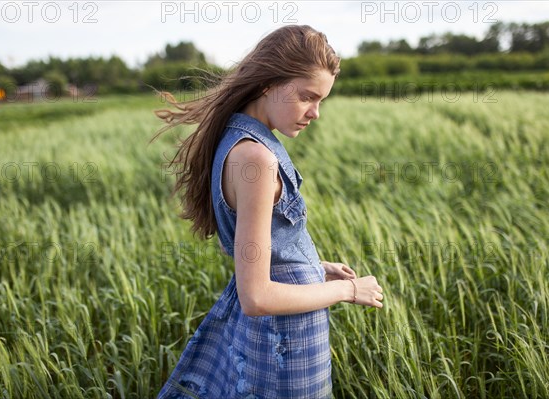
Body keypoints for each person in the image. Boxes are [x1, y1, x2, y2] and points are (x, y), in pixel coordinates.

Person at [152, 24, 384, 399]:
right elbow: (257, 296)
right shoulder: (256, 158)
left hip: (280, 335)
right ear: (268, 83)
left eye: (321, 100)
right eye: (308, 96)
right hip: (285, 341)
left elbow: (256, 250)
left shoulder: (238, 138)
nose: (316, 113)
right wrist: (348, 289)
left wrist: (316, 267)